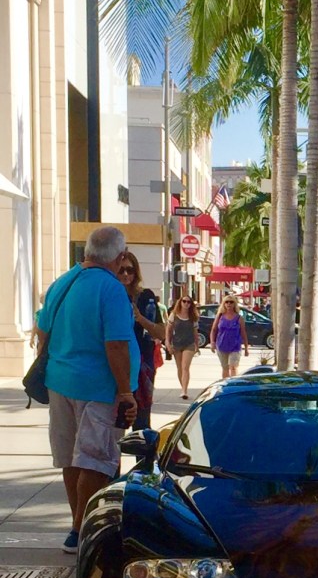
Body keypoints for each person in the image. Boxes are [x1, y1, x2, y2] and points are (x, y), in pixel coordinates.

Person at [33, 226, 138, 554]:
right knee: (94, 460)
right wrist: (125, 392)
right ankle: (82, 530)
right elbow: (116, 345)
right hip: (99, 388)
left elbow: (41, 328)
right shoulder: (111, 289)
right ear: (119, 257)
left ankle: (77, 526)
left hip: (60, 383)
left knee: (71, 459)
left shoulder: (63, 282)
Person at [116, 252, 164, 430]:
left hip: (142, 363)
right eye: (121, 270)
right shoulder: (109, 295)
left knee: (142, 419)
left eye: (130, 270)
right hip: (116, 362)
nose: (126, 275)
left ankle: (143, 456)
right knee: (116, 421)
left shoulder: (146, 297)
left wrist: (140, 318)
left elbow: (161, 332)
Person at [166, 295, 201, 398]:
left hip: (189, 344)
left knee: (185, 367)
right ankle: (183, 388)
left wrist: (197, 346)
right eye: (184, 301)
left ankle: (184, 391)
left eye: (188, 302)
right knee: (179, 368)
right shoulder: (174, 315)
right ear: (180, 302)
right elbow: (168, 330)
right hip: (177, 344)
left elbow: (195, 332)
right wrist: (168, 343)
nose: (186, 304)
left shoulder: (193, 317)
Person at [210, 296, 250, 378]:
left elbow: (243, 333)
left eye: (231, 302)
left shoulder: (239, 318)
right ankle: (225, 386)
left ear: (234, 304)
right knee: (225, 368)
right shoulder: (220, 316)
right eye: (226, 302)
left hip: (235, 346)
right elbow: (213, 330)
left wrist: (246, 348)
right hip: (221, 345)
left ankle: (233, 384)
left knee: (233, 367)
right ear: (224, 304)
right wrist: (212, 342)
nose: (229, 304)